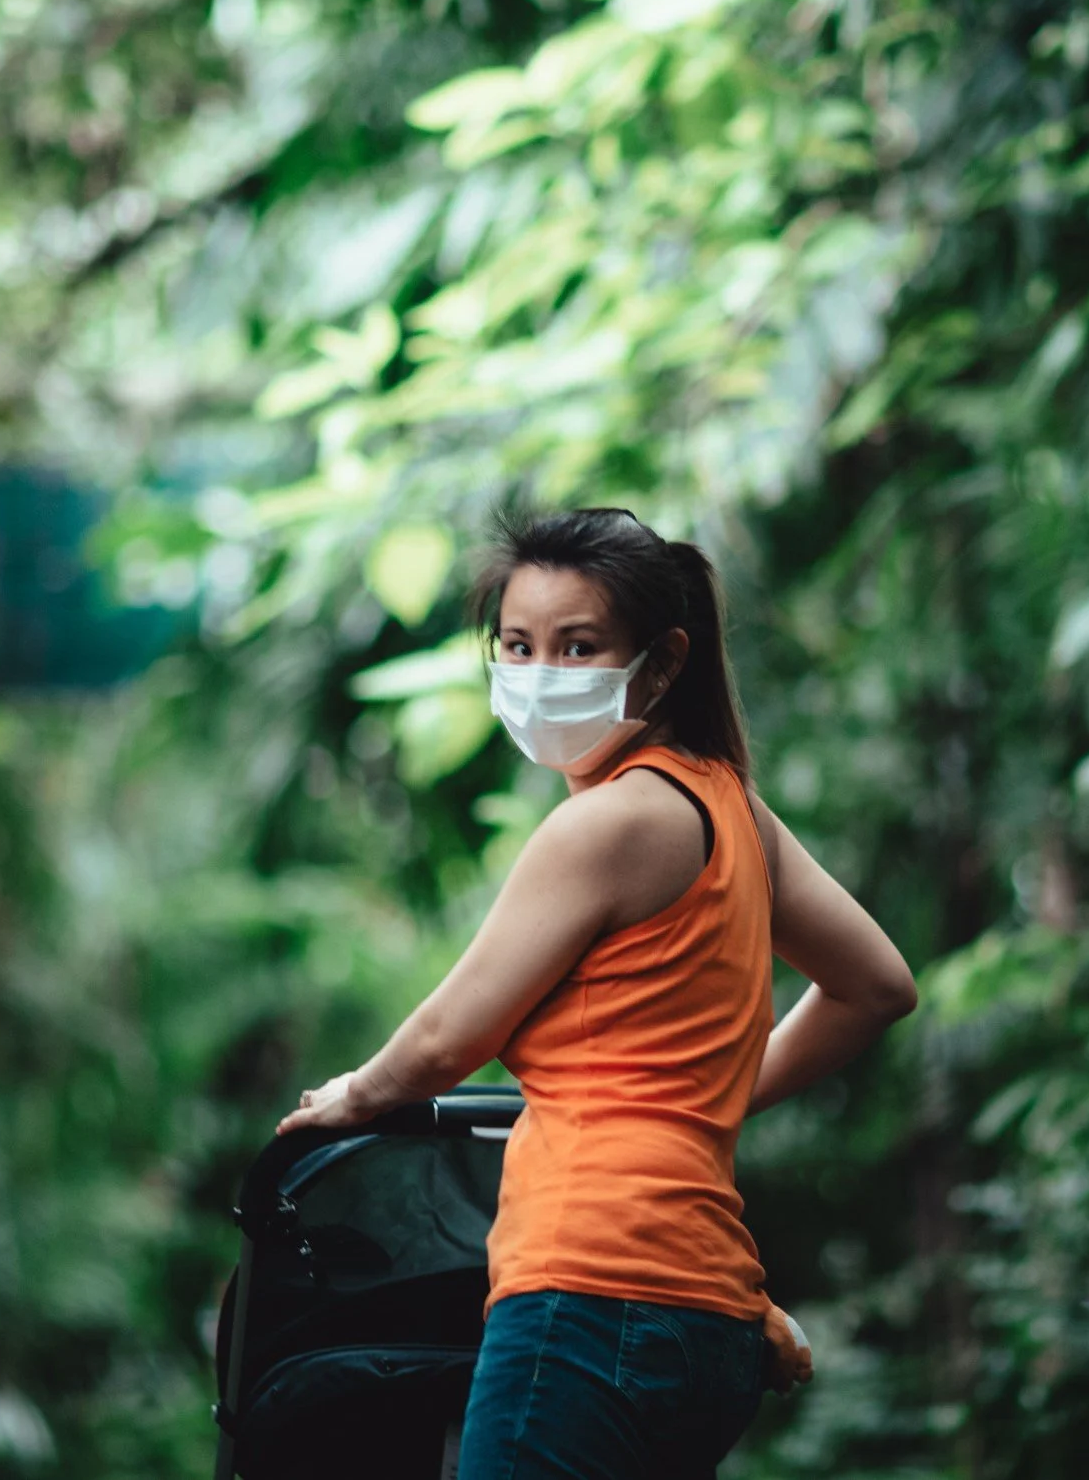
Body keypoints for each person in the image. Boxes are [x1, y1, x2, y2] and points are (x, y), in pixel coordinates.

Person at [273, 505, 918, 1479]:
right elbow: (876, 985)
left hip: (585, 1293)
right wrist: (697, 1101)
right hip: (711, 1316)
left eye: (578, 647)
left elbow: (448, 1037)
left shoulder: (605, 825)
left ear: (661, 665)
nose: (540, 673)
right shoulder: (730, 808)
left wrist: (353, 1095)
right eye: (517, 645)